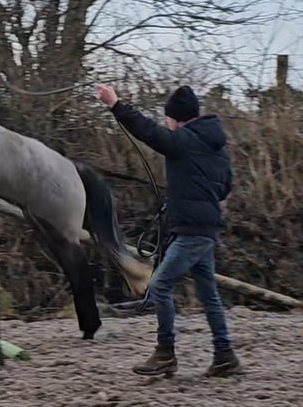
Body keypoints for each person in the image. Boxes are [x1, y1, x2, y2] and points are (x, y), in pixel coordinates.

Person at [95, 83, 242, 378]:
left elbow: (148, 132)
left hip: (191, 231)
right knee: (209, 295)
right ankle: (224, 355)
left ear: (177, 118)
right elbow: (223, 189)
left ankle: (165, 353)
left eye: (169, 119)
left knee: (159, 287)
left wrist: (116, 105)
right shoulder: (217, 147)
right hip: (205, 228)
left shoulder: (183, 141)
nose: (167, 124)